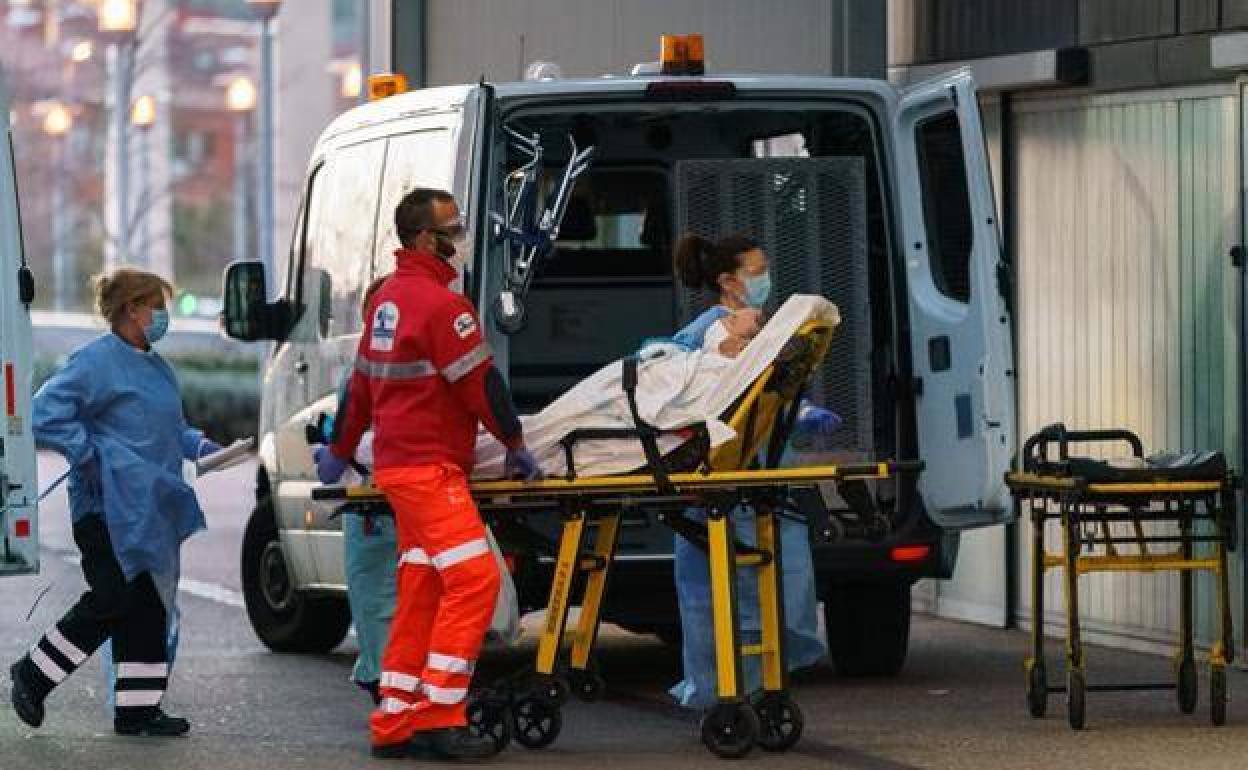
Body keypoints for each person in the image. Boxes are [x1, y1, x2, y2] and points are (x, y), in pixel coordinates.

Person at [313, 187, 541, 760]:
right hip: (432, 472)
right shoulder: (444, 307)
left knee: (423, 588)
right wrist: (514, 443)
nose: (460, 238)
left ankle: (395, 719)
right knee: (475, 582)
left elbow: (362, 389)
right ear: (424, 239)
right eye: (453, 229)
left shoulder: (388, 300)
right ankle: (440, 713)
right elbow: (482, 384)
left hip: (400, 470)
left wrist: (340, 451)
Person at [9, 268, 220, 736]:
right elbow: (44, 414)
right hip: (104, 510)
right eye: (156, 305)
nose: (162, 315)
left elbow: (168, 429)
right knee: (113, 598)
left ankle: (138, 711)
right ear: (131, 308)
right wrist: (88, 455)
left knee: (146, 607)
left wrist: (202, 447)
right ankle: (32, 674)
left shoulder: (157, 368)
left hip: (149, 513)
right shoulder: (96, 362)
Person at [667, 233, 840, 708]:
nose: (765, 280)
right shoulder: (718, 331)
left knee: (764, 597)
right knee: (733, 599)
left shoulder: (747, 335)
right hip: (728, 484)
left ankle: (742, 687)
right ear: (729, 281)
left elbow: (758, 399)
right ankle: (724, 693)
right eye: (757, 271)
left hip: (755, 483)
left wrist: (800, 414)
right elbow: (714, 392)